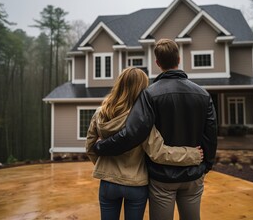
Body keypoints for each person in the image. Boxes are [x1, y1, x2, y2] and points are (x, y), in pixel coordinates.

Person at [93, 39, 218, 220]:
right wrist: (207, 164)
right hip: (193, 173)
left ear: (157, 63)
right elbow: (211, 134)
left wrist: (101, 147)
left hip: (162, 178)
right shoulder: (203, 94)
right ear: (179, 59)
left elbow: (133, 133)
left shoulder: (150, 94)